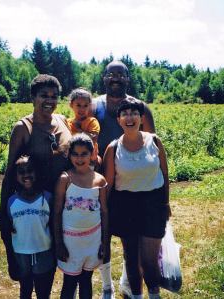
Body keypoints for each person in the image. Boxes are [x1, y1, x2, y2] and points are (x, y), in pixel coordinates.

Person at [0, 74, 72, 286]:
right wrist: (3, 213)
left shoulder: (62, 120)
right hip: (36, 206)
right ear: (32, 97)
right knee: (29, 267)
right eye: (43, 95)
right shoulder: (23, 128)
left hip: (64, 204)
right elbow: (10, 172)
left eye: (54, 96)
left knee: (55, 261)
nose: (49, 100)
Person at [92, 60, 156, 298]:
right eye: (111, 74)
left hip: (132, 186)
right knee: (103, 236)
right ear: (104, 78)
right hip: (101, 183)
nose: (116, 78)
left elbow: (152, 144)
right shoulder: (93, 105)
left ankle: (128, 283)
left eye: (121, 74)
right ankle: (106, 286)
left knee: (133, 242)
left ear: (128, 79)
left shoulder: (140, 107)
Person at [103, 99, 171, 299]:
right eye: (125, 114)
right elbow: (108, 184)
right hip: (125, 206)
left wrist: (165, 202)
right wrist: (103, 212)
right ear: (119, 120)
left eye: (134, 113)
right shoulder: (113, 148)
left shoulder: (155, 141)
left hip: (152, 205)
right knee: (131, 259)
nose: (129, 117)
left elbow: (165, 175)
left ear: (141, 118)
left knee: (149, 261)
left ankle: (154, 295)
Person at [54, 134, 109, 299]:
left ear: (92, 154)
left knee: (86, 280)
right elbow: (57, 213)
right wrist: (59, 244)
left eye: (84, 153)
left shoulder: (100, 181)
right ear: (69, 155)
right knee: (69, 283)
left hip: (92, 240)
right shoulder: (65, 179)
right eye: (75, 154)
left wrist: (104, 243)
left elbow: (104, 212)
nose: (79, 158)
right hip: (70, 242)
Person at [7, 155, 55, 299]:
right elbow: (10, 226)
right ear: (15, 176)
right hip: (21, 253)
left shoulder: (47, 198)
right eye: (21, 172)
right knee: (25, 289)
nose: (26, 175)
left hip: (44, 251)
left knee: (43, 292)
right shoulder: (12, 201)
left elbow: (53, 224)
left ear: (37, 172)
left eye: (30, 170)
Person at [67, 88, 101, 169]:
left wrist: (79, 129)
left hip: (89, 161)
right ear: (71, 105)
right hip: (71, 160)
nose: (82, 109)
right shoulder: (67, 122)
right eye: (78, 105)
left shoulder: (92, 121)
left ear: (89, 106)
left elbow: (93, 139)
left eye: (85, 105)